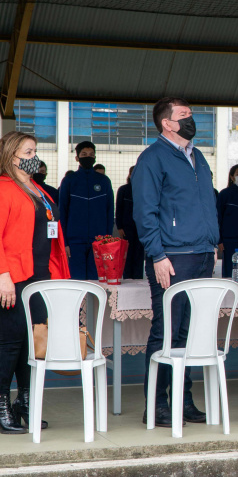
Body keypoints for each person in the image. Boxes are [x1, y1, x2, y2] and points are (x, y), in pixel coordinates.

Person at [132, 97, 218, 428]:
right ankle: (156, 404)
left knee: (190, 332)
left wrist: (212, 244)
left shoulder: (197, 158)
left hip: (201, 253)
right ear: (167, 123)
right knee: (166, 331)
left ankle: (183, 400)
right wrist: (157, 254)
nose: (191, 119)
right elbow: (145, 211)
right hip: (172, 256)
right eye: (184, 116)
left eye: (191, 114)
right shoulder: (153, 158)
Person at [0, 132, 68, 434]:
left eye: (35, 151)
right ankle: (2, 404)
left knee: (33, 343)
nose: (34, 156)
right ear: (12, 155)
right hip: (14, 277)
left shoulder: (38, 190)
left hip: (41, 276)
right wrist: (3, 275)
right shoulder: (4, 189)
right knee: (9, 343)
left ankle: (25, 401)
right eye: (29, 151)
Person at [58, 141, 114, 280]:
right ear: (77, 157)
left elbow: (109, 211)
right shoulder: (69, 181)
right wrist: (65, 242)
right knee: (77, 281)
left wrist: (106, 241)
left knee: (98, 282)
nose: (88, 157)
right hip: (75, 241)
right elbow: (62, 212)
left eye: (91, 155)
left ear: (95, 157)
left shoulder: (104, 181)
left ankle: (96, 303)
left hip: (98, 241)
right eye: (84, 154)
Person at [217, 164, 238, 279]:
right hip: (229, 240)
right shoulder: (224, 194)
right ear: (232, 177)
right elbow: (218, 218)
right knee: (229, 272)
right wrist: (220, 240)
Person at [115, 166, 145, 279]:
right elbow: (118, 209)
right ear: (129, 175)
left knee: (139, 253)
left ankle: (138, 277)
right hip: (127, 228)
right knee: (127, 254)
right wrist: (119, 226)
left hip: (141, 228)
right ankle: (127, 277)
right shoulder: (123, 190)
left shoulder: (145, 190)